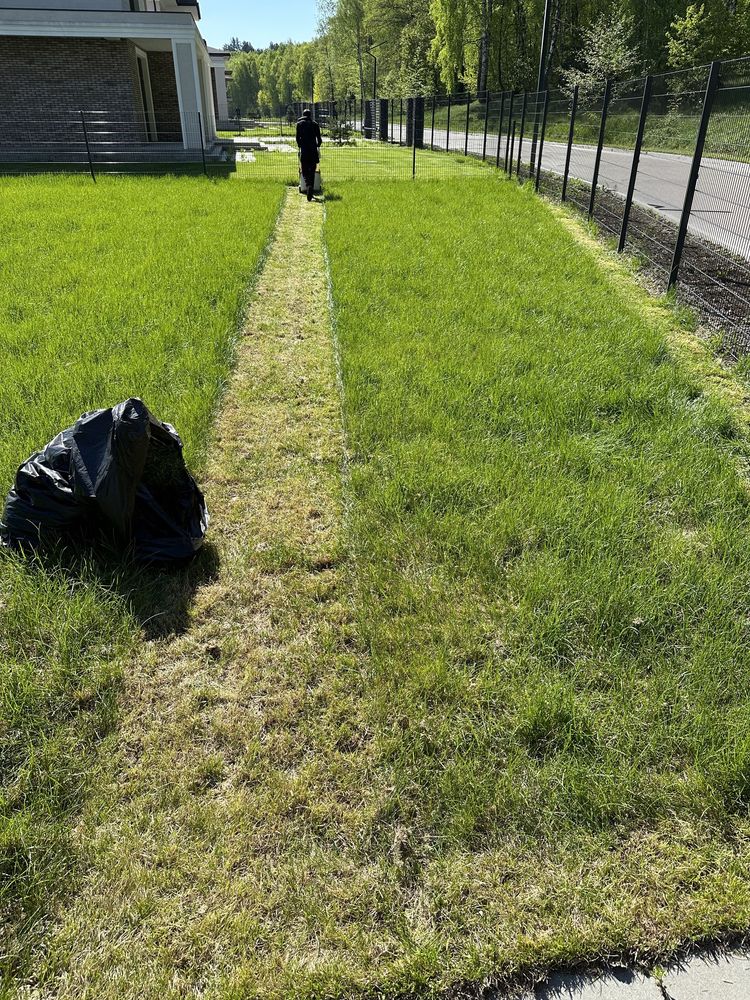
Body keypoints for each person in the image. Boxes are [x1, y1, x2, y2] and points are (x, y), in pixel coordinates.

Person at [295, 108, 322, 201]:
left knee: (305, 170)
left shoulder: (299, 124)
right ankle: (311, 186)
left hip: (305, 151)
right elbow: (319, 139)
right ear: (310, 115)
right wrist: (317, 145)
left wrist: (300, 145)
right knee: (312, 170)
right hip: (313, 151)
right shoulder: (315, 124)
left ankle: (308, 185)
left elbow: (297, 138)